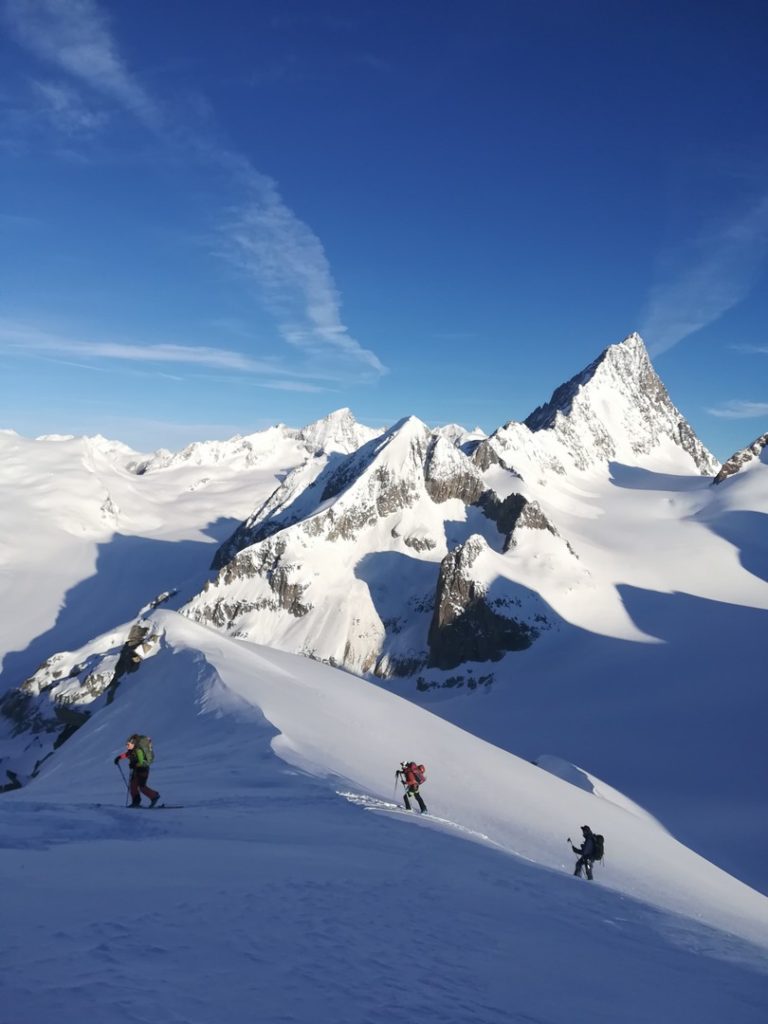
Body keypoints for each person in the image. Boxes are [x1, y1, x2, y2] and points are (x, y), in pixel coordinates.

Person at [114, 735, 160, 808]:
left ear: (133, 744)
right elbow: (126, 754)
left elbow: (141, 761)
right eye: (127, 745)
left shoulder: (138, 751)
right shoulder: (131, 751)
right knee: (133, 786)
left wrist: (134, 764)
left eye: (128, 744)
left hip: (142, 770)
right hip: (136, 771)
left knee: (142, 787)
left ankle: (154, 796)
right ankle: (136, 802)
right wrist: (119, 758)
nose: (127, 746)